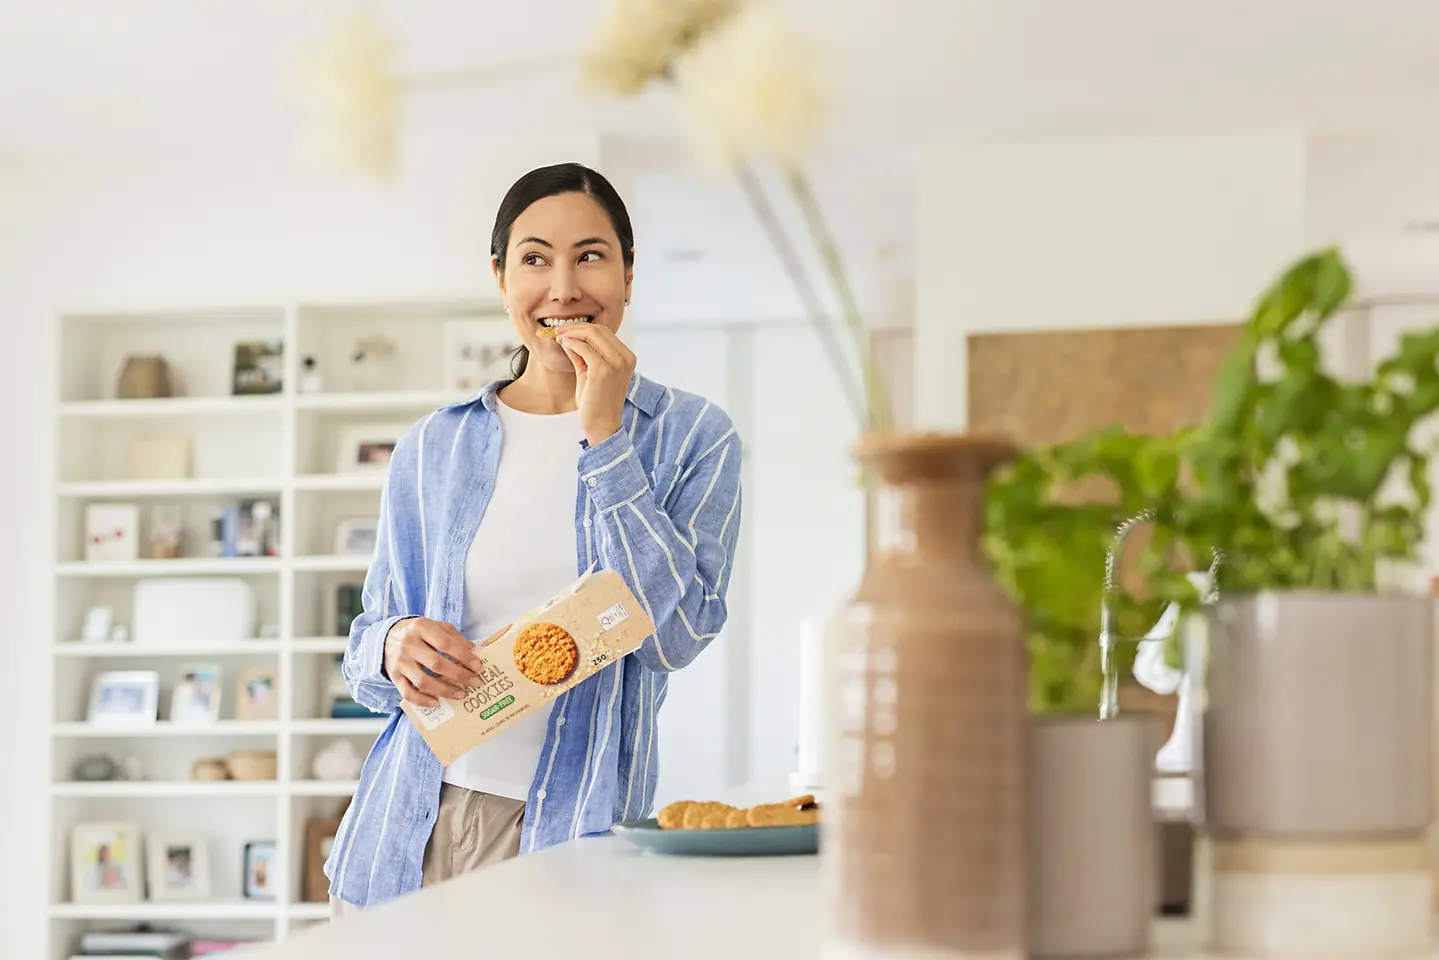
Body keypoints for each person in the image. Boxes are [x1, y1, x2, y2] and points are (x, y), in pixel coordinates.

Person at [323, 162, 743, 916]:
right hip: (404, 830)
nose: (563, 288)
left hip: (573, 839)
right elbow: (362, 658)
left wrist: (605, 438)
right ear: (499, 276)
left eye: (590, 255)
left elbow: (674, 637)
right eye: (534, 258)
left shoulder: (691, 437)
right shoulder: (432, 448)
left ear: (627, 273)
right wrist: (393, 644)